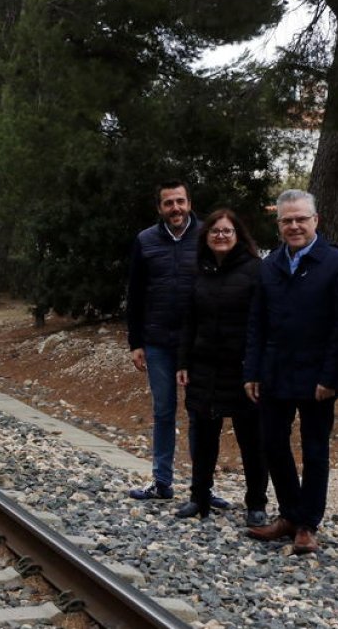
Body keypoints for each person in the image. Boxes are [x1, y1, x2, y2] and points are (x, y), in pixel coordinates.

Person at [243, 189, 338, 554]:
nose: (294, 226)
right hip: (274, 371)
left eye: (301, 219)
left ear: (315, 220)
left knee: (315, 449)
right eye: (287, 220)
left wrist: (331, 376)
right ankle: (290, 513)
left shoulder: (337, 263)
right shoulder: (270, 264)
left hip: (318, 376)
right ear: (279, 225)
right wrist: (252, 371)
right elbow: (257, 322)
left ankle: (307, 524)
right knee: (272, 444)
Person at [126, 180, 225, 504]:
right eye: (168, 203)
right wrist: (135, 342)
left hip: (198, 344)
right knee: (164, 412)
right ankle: (162, 481)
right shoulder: (145, 240)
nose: (175, 208)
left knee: (200, 414)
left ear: (189, 203)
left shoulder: (207, 236)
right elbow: (135, 294)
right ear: (160, 208)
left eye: (180, 201)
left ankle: (202, 487)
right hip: (158, 342)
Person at [174, 209, 269, 526]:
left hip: (243, 370)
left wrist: (257, 368)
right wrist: (183, 361)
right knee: (203, 438)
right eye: (215, 231)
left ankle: (256, 503)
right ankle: (199, 497)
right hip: (204, 367)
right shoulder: (198, 270)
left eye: (227, 231)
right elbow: (189, 321)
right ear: (206, 237)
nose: (221, 236)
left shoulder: (255, 270)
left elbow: (262, 322)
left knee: (252, 440)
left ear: (238, 235)